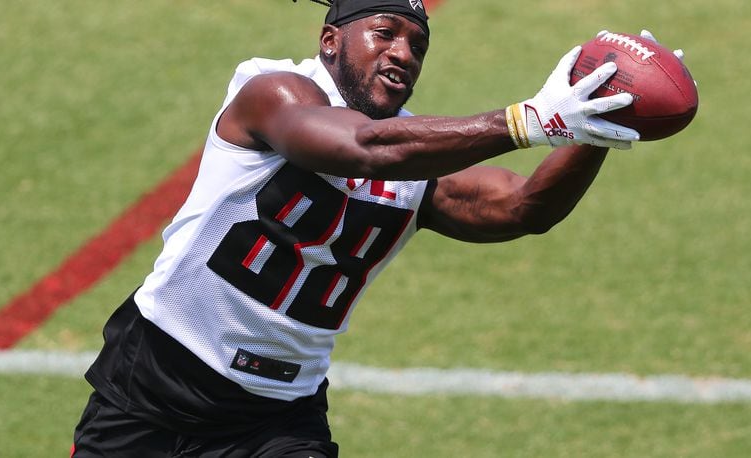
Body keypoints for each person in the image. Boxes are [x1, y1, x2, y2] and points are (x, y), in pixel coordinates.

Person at [70, 0, 664, 456]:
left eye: (417, 45)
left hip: (277, 415)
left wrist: (596, 122)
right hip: (153, 381)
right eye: (386, 33)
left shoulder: (418, 160)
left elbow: (525, 207)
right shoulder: (274, 91)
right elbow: (361, 148)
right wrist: (527, 122)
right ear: (331, 40)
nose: (403, 53)